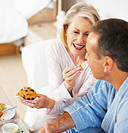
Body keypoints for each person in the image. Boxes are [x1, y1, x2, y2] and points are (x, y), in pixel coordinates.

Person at [38, 18, 128, 133]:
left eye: (89, 54)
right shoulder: (117, 71)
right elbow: (91, 104)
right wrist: (54, 127)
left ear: (107, 64)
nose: (85, 58)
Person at [21, 2, 100, 132]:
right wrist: (67, 86)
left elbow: (80, 108)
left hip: (80, 111)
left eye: (87, 34)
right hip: (59, 101)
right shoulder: (55, 48)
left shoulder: (95, 62)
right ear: (65, 29)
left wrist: (50, 102)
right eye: (75, 32)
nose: (80, 40)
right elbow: (55, 93)